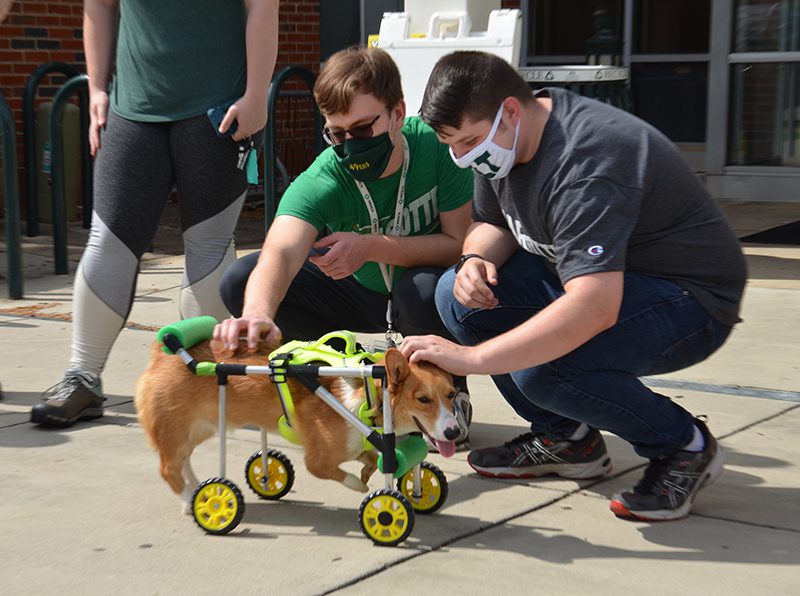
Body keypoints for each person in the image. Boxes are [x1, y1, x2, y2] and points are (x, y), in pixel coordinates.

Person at [399, 51, 747, 521]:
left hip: (691, 300)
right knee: (455, 297)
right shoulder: (503, 144)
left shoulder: (586, 161)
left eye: (469, 141)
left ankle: (683, 445)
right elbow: (490, 221)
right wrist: (474, 259)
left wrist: (473, 360)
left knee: (544, 370)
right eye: (451, 145)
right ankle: (568, 437)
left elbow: (595, 306)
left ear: (511, 112)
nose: (462, 157)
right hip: (608, 280)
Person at [31, 0, 279, 426]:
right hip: (132, 108)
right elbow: (99, 6)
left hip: (218, 110)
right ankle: (82, 377)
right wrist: (96, 89)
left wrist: (257, 93)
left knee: (209, 248)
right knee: (107, 240)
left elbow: (262, 7)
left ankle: (222, 378)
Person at [214, 47, 474, 445]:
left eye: (362, 129)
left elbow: (460, 245)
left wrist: (371, 246)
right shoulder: (326, 176)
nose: (349, 144)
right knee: (239, 280)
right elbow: (281, 250)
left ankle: (446, 393)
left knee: (425, 289)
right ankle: (332, 383)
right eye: (336, 133)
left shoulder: (437, 147)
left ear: (397, 113)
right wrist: (257, 315)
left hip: (415, 290)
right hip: (356, 291)